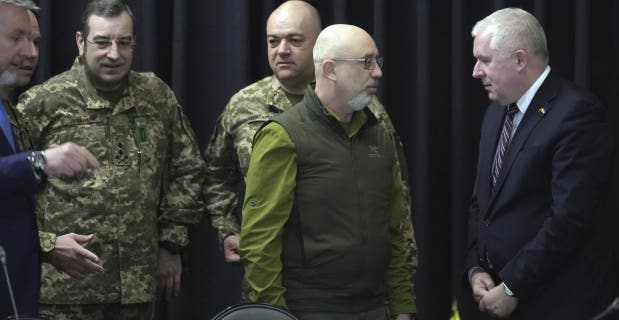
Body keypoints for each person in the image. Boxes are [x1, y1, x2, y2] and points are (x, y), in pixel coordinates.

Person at [16, 0, 204, 318]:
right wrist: (46, 244)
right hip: (66, 293)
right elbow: (12, 186)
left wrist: (170, 244)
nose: (114, 54)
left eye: (124, 42)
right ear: (81, 42)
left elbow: (187, 167)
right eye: (102, 42)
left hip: (137, 290)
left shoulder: (156, 96)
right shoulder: (42, 103)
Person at [203, 0, 416, 271]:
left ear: (318, 46)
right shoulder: (243, 106)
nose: (282, 51)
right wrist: (227, 229)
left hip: (344, 274)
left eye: (294, 40)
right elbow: (214, 176)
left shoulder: (361, 106)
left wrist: (404, 277)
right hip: (271, 268)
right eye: (273, 41)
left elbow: (397, 191)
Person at [239, 24, 416, 320]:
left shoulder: (378, 134)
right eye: (366, 63)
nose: (378, 73)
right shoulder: (284, 136)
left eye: (377, 62)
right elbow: (260, 241)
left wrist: (402, 305)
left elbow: (394, 230)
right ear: (331, 70)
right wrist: (275, 314)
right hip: (310, 309)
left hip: (374, 308)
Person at [465, 8, 616, 319]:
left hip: (550, 301)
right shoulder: (496, 111)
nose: (476, 71)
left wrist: (512, 286)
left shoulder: (576, 114)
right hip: (493, 294)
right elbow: (483, 201)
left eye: (486, 60)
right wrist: (475, 266)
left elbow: (570, 219)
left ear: (520, 60)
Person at [0, 1, 102, 317]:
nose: (31, 52)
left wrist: (44, 244)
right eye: (16, 38)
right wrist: (40, 161)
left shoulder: (9, 109)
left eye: (36, 42)